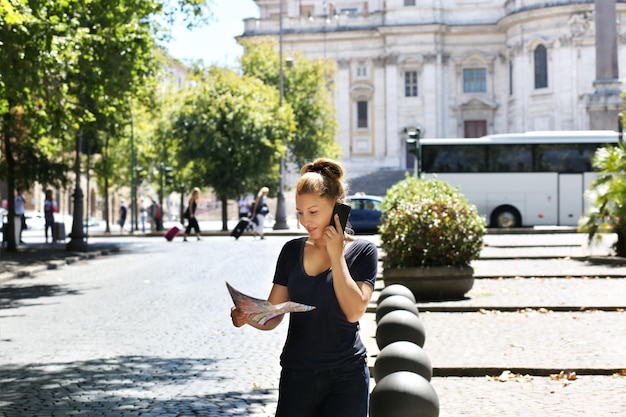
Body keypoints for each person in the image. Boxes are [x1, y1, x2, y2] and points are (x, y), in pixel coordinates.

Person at [230, 158, 378, 417]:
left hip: (346, 378)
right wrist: (246, 316)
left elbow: (354, 311)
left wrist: (336, 255)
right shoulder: (291, 251)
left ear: (336, 209)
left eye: (313, 212)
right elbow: (272, 314)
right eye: (299, 212)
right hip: (297, 376)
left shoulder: (363, 251)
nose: (304, 221)